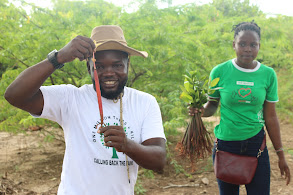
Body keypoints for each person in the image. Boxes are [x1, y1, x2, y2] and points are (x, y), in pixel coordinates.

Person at [4, 25, 166, 194]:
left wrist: (128, 145)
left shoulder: (145, 102)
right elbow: (14, 95)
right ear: (89, 67)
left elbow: (159, 160)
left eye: (117, 65)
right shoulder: (70, 98)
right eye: (100, 67)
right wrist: (57, 58)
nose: (109, 73)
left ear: (127, 64)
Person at [189, 21, 290, 194]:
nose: (248, 49)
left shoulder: (268, 74)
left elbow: (271, 116)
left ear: (259, 46)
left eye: (253, 45)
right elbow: (212, 105)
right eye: (242, 44)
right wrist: (200, 111)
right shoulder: (220, 71)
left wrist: (281, 154)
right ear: (234, 45)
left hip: (256, 146)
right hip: (226, 146)